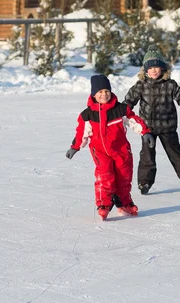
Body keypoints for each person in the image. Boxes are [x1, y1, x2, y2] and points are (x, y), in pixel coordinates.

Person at [66, 74, 156, 221]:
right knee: (104, 176)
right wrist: (75, 147)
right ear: (93, 94)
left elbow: (134, 120)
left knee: (124, 177)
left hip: (121, 151)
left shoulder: (121, 109)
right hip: (100, 152)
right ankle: (104, 204)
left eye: (106, 91)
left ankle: (124, 203)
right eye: (100, 92)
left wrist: (145, 132)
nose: (104, 94)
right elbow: (82, 132)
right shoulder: (88, 114)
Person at [124, 46, 180, 195]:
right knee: (147, 155)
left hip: (168, 127)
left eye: (157, 67)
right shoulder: (140, 86)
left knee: (176, 154)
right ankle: (144, 182)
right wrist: (118, 117)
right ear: (145, 70)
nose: (154, 70)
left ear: (163, 68)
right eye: (150, 67)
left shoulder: (170, 85)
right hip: (147, 129)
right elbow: (127, 104)